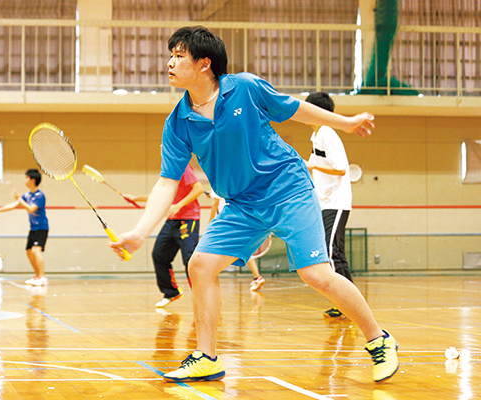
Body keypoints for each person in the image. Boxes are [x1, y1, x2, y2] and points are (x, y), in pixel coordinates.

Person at [110, 26, 398, 384]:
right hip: (241, 204)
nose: (169, 63)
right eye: (170, 55)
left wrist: (347, 123)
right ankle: (207, 357)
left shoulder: (244, 88)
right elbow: (167, 182)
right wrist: (140, 232)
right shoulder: (178, 122)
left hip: (287, 189)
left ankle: (379, 339)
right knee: (200, 265)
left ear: (204, 64)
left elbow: (296, 109)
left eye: (179, 56)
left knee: (316, 274)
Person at [125, 164, 203, 308]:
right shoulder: (167, 171)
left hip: (188, 219)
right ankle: (171, 292)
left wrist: (179, 205)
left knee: (190, 260)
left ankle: (201, 297)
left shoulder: (183, 167)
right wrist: (136, 198)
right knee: (159, 255)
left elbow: (198, 189)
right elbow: (159, 196)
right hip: (172, 220)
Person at [304, 92, 353, 318]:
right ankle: (344, 302)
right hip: (324, 203)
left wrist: (312, 165)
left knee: (333, 252)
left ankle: (348, 303)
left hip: (336, 202)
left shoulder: (327, 133)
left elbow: (341, 169)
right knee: (332, 252)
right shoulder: (316, 136)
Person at [0, 168, 49, 286]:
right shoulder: (27, 195)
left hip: (42, 227)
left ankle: (42, 277)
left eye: (26, 178)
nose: (25, 180)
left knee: (36, 250)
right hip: (33, 228)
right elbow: (13, 205)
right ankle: (37, 276)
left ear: (32, 180)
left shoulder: (40, 195)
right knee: (29, 252)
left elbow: (31, 209)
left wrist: (19, 199)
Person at [208, 191, 265, 291]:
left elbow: (215, 204)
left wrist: (210, 223)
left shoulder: (217, 185)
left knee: (214, 249)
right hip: (240, 219)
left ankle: (209, 274)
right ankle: (257, 277)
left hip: (226, 221)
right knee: (241, 250)